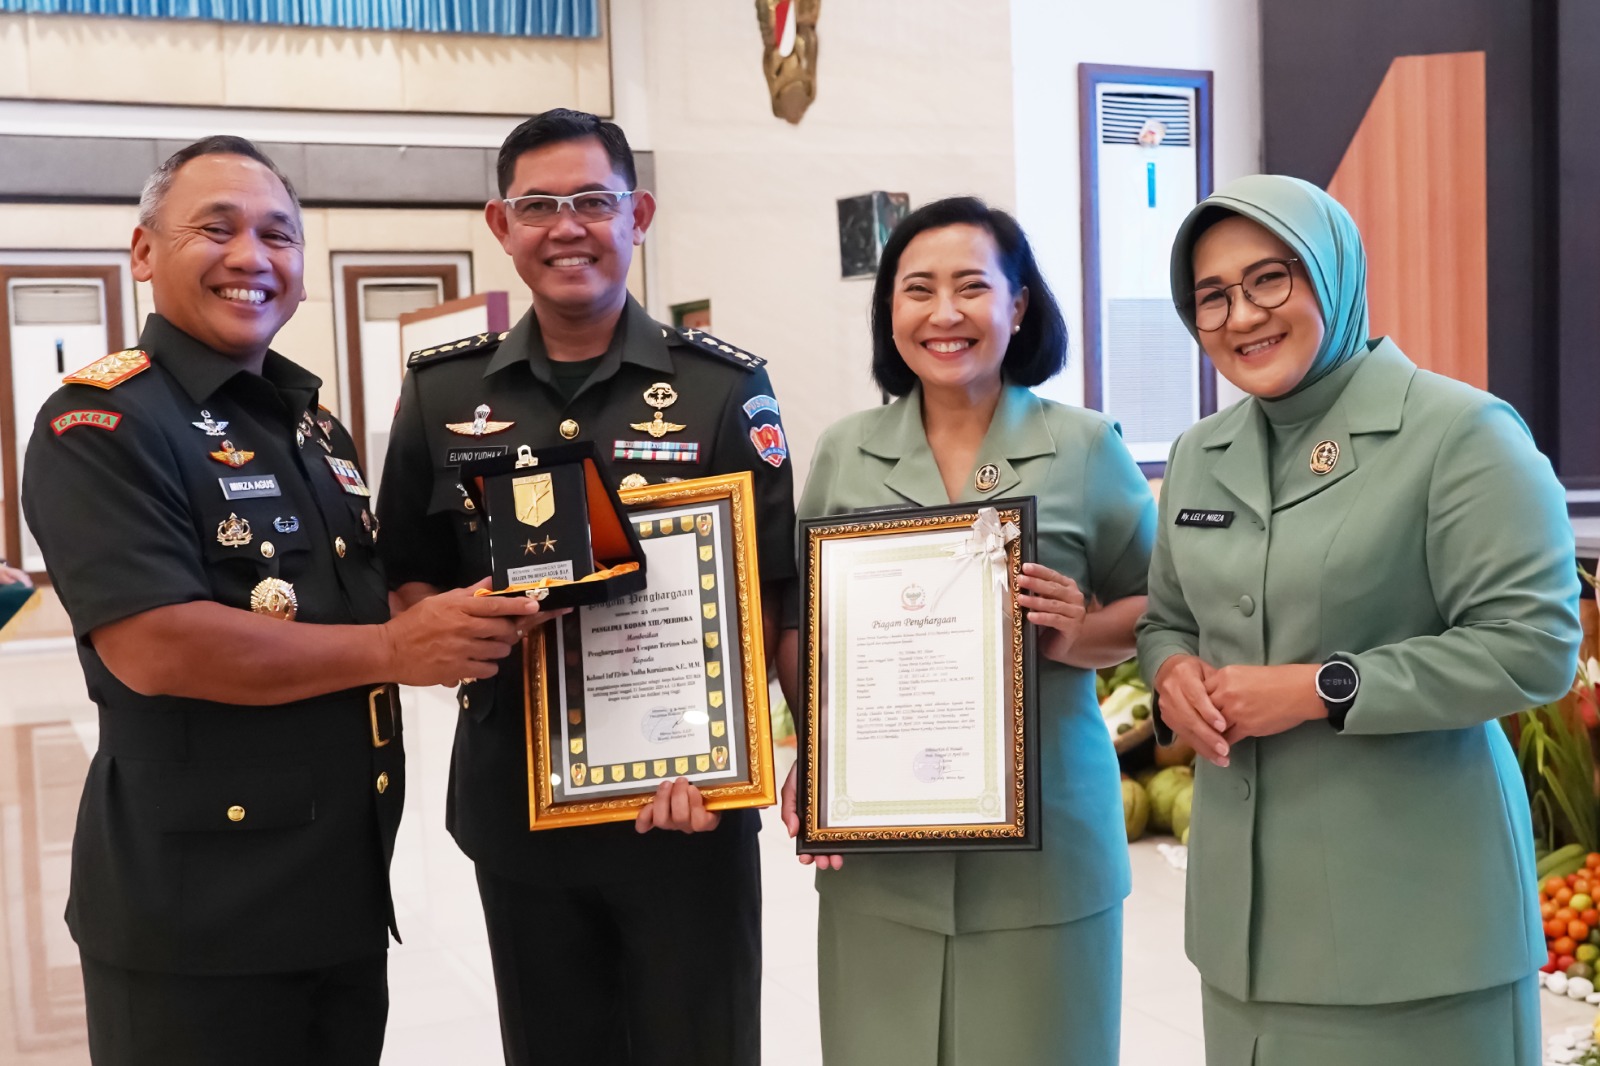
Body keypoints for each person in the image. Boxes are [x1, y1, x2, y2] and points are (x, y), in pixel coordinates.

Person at [21, 136, 541, 1066]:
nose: (251, 257)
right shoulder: (102, 423)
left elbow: (360, 603)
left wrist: (492, 608)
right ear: (143, 252)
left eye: (278, 235)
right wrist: (395, 651)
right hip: (197, 921)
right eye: (215, 229)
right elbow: (157, 645)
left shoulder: (311, 427)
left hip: (336, 894)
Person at [376, 108, 795, 1066]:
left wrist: (734, 752)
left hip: (684, 806)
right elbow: (402, 573)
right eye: (538, 206)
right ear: (501, 224)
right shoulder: (444, 393)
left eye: (593, 202)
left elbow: (771, 589)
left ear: (637, 214)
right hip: (520, 807)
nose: (566, 227)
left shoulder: (723, 388)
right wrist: (456, 631)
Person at [1137, 174, 1581, 1065]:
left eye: (1270, 278)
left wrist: (1322, 688)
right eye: (1212, 295)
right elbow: (1167, 620)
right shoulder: (1199, 454)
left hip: (1414, 931)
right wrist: (1172, 673)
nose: (1241, 315)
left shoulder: (1459, 432)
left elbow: (1534, 647)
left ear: (1332, 273)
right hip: (1243, 934)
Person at [777, 196, 1155, 1065]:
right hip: (883, 859)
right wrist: (816, 754)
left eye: (972, 287)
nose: (944, 313)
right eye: (918, 290)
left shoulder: (1085, 446)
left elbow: (1162, 609)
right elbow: (802, 617)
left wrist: (1075, 633)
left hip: (1048, 850)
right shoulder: (845, 450)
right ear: (890, 312)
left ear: (1017, 306)